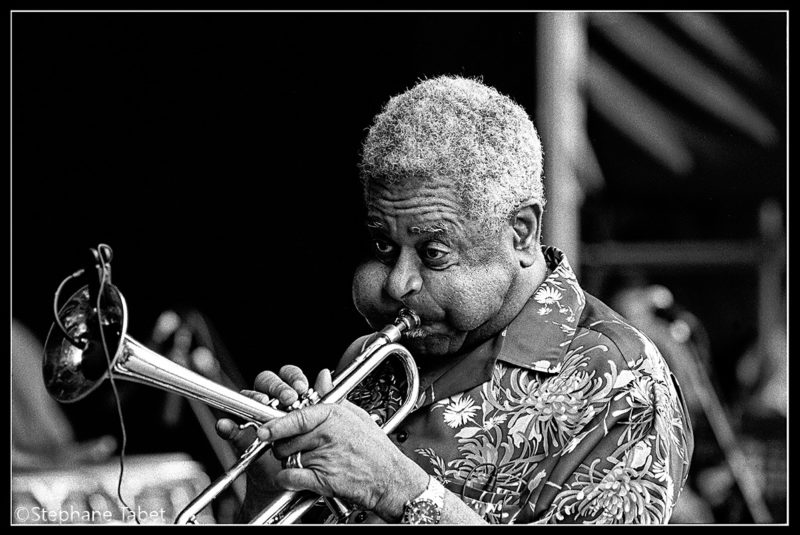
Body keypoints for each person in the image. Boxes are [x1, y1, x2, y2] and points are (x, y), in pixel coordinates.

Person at [216, 75, 694, 524]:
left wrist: (399, 489)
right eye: (385, 246)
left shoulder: (622, 383)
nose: (397, 283)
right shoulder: (373, 360)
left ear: (521, 233)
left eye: (433, 252)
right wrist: (268, 485)